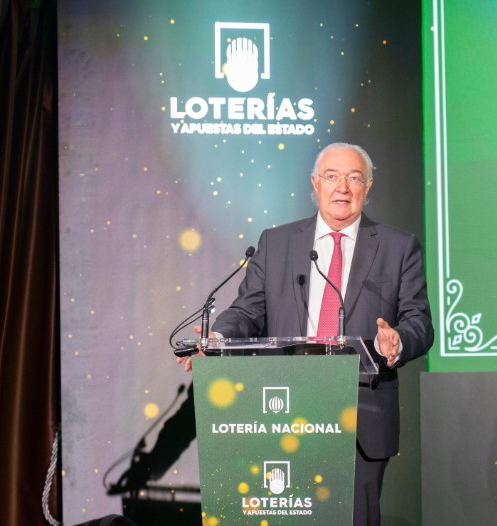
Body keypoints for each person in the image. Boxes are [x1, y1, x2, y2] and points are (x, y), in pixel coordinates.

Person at [179, 142, 434, 525]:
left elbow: (420, 322)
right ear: (315, 184)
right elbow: (248, 309)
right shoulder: (276, 242)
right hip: (284, 409)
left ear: (368, 186)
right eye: (332, 177)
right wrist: (216, 338)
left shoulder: (398, 247)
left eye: (354, 178)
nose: (342, 188)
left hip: (360, 414)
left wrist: (397, 341)